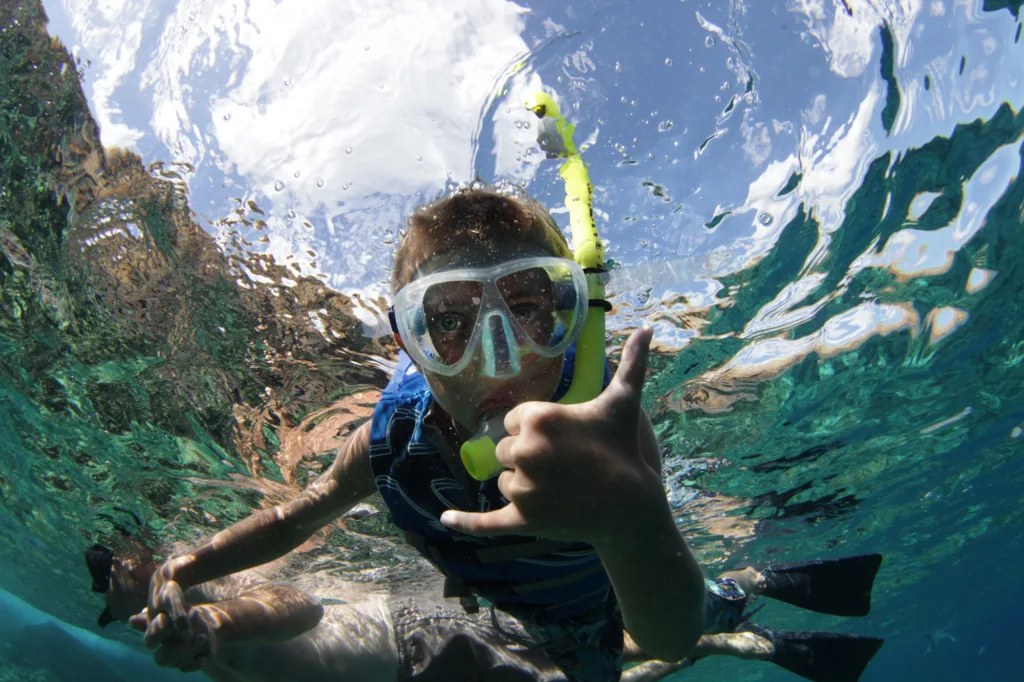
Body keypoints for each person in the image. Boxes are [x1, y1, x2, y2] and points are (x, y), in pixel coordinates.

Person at [139, 187, 707, 682]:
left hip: (581, 613)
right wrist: (181, 568)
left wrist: (630, 522)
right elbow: (296, 516)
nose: (498, 360)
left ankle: (730, 614)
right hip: (501, 601)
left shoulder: (610, 430)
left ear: (571, 314)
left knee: (637, 648)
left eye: (528, 306)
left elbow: (669, 634)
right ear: (408, 342)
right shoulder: (391, 439)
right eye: (450, 322)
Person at [87, 544, 885, 682]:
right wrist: (203, 642)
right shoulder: (181, 639)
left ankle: (742, 612)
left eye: (109, 571)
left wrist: (216, 626)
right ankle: (743, 632)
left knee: (589, 661)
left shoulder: (204, 606)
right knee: (591, 664)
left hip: (420, 645)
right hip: (419, 663)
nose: (112, 588)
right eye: (106, 591)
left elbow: (295, 605)